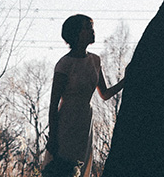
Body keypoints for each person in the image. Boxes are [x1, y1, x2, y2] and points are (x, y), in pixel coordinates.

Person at [44, 14, 123, 177]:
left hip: (85, 120)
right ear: (75, 33)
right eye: (87, 28)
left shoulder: (95, 60)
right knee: (64, 168)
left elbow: (105, 94)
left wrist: (127, 81)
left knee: (82, 165)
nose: (92, 31)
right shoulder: (64, 64)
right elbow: (53, 104)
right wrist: (53, 137)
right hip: (67, 121)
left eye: (91, 27)